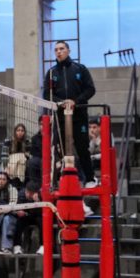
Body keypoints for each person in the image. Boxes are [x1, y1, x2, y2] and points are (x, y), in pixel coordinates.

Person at [44, 40, 97, 185]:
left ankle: (90, 179)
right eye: (56, 50)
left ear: (68, 51)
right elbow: (47, 95)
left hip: (79, 116)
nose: (58, 52)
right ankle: (62, 180)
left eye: (61, 49)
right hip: (60, 117)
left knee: (82, 148)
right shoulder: (51, 73)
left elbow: (90, 89)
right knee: (61, 150)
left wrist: (75, 101)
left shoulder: (80, 69)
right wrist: (62, 103)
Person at [12, 181, 44, 254]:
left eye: (31, 193)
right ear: (26, 190)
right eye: (28, 192)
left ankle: (43, 246)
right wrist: (19, 212)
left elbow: (41, 212)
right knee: (19, 221)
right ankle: (17, 246)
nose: (29, 195)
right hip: (25, 216)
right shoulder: (21, 195)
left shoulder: (40, 196)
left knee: (42, 220)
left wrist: (38, 202)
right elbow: (17, 209)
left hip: (36, 216)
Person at [6, 123, 30, 188]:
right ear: (15, 131)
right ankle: (18, 180)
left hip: (22, 163)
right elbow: (4, 156)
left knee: (21, 158)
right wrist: (6, 167)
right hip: (10, 162)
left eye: (22, 131)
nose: (20, 132)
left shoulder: (27, 142)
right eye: (18, 130)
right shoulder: (8, 141)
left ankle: (19, 181)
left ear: (24, 132)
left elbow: (28, 155)